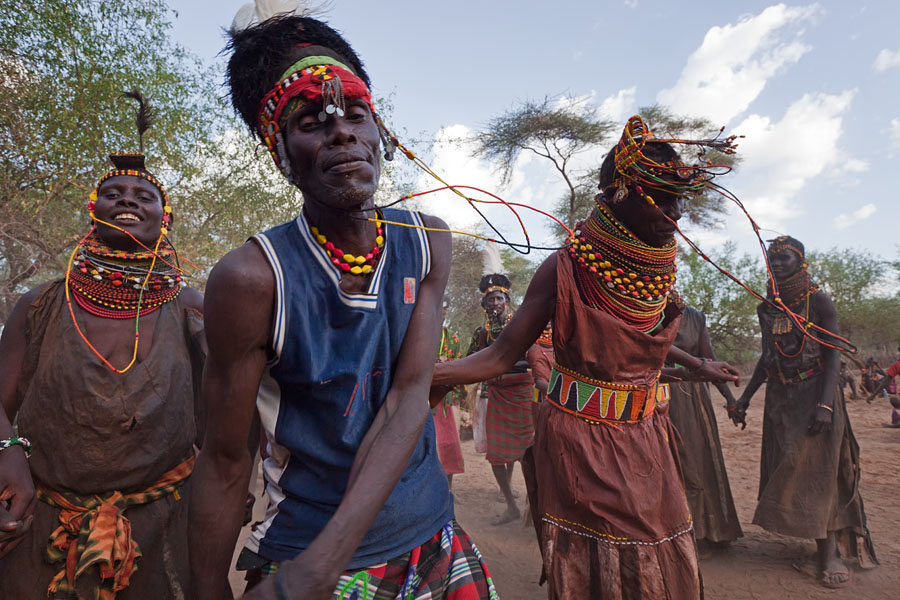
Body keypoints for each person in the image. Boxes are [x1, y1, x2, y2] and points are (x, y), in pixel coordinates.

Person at [188, 8, 497, 600]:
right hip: (301, 554)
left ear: (380, 133)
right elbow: (226, 463)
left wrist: (322, 565)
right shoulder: (254, 279)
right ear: (280, 153)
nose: (341, 132)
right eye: (311, 121)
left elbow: (408, 398)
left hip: (428, 534)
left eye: (357, 115)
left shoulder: (426, 241)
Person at [432, 115, 740, 599]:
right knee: (607, 553)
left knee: (660, 545)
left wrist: (698, 365)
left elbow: (637, 338)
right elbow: (501, 354)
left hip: (648, 435)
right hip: (583, 443)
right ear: (620, 194)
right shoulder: (564, 268)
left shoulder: (653, 273)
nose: (676, 211)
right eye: (662, 197)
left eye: (679, 197)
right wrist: (433, 376)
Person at [0, 92, 204, 599]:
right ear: (94, 211)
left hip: (164, 524)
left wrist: (221, 490)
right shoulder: (39, 303)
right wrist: (7, 454)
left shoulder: (193, 308)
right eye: (114, 193)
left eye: (145, 195)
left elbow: (228, 413)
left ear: (166, 218)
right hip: (43, 519)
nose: (129, 199)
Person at [735, 236, 877, 589]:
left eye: (784, 257)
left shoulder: (819, 301)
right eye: (772, 258)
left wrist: (826, 405)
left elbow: (833, 356)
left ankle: (828, 552)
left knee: (819, 470)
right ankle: (810, 536)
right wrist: (745, 399)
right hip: (782, 397)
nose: (777, 263)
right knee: (789, 465)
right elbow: (767, 358)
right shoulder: (768, 306)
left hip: (816, 395)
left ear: (800, 261)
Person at [665, 303, 743, 554]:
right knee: (667, 464)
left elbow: (709, 362)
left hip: (692, 397)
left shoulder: (694, 317)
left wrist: (731, 401)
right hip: (656, 392)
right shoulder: (641, 310)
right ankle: (674, 533)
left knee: (697, 462)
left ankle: (705, 533)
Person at [468, 272, 535, 525]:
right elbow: (471, 359)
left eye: (499, 298)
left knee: (529, 453)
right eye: (490, 300)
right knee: (497, 455)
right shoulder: (481, 333)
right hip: (497, 395)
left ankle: (535, 505)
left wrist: (502, 361)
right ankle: (511, 506)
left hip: (522, 393)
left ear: (506, 300)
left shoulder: (521, 325)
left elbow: (534, 356)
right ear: (484, 305)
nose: (495, 303)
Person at [434, 309, 465, 488]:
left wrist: (445, 365)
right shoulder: (418, 335)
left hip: (447, 399)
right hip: (422, 398)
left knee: (449, 444)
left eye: (441, 312)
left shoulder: (452, 339)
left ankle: (448, 489)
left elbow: (458, 366)